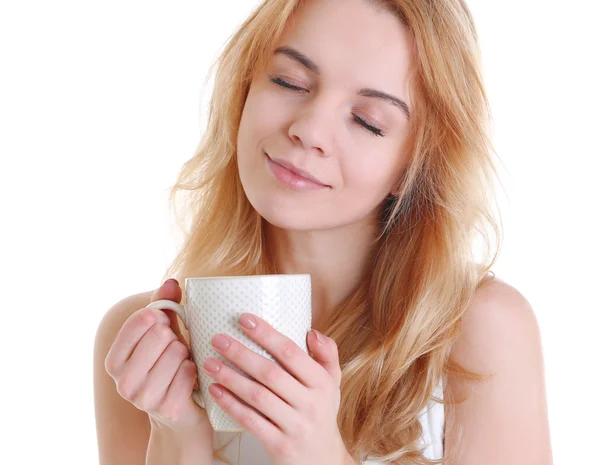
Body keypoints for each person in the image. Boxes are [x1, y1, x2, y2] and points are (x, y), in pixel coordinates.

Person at [93, 0, 553, 464]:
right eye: (289, 82)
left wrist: (318, 454)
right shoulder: (147, 340)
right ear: (243, 90)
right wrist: (177, 438)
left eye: (367, 121)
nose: (309, 130)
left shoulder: (479, 331)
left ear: (413, 165)